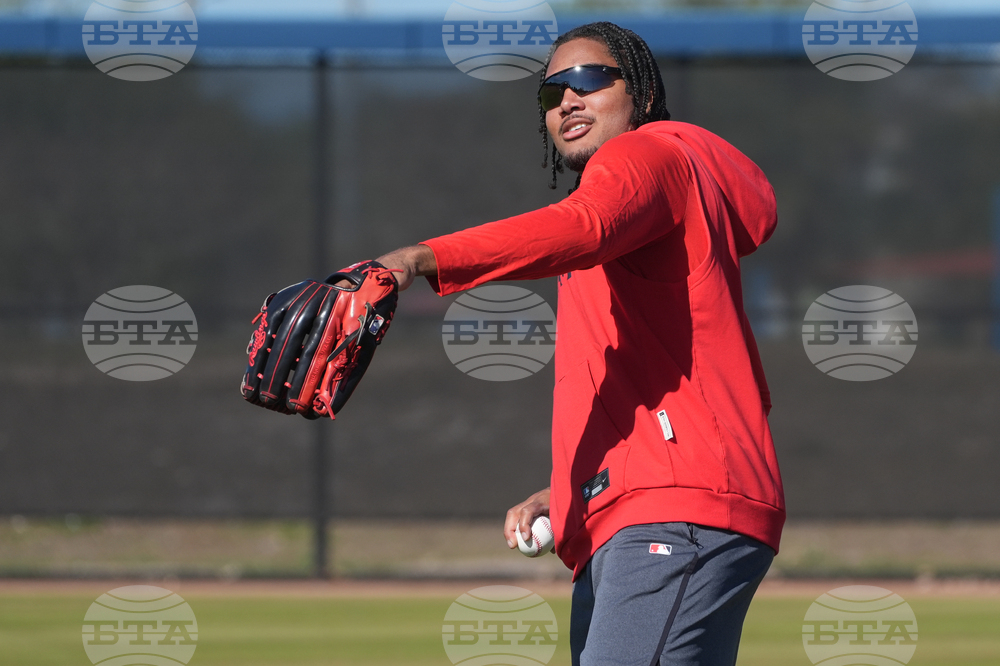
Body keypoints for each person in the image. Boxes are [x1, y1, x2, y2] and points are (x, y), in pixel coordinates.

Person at [373, 21, 785, 666]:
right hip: (646, 506)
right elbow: (664, 381)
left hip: (674, 511)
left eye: (589, 79)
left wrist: (422, 257)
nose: (566, 100)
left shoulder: (645, 154)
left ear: (642, 94)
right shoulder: (648, 199)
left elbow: (586, 224)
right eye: (549, 93)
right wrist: (570, 487)